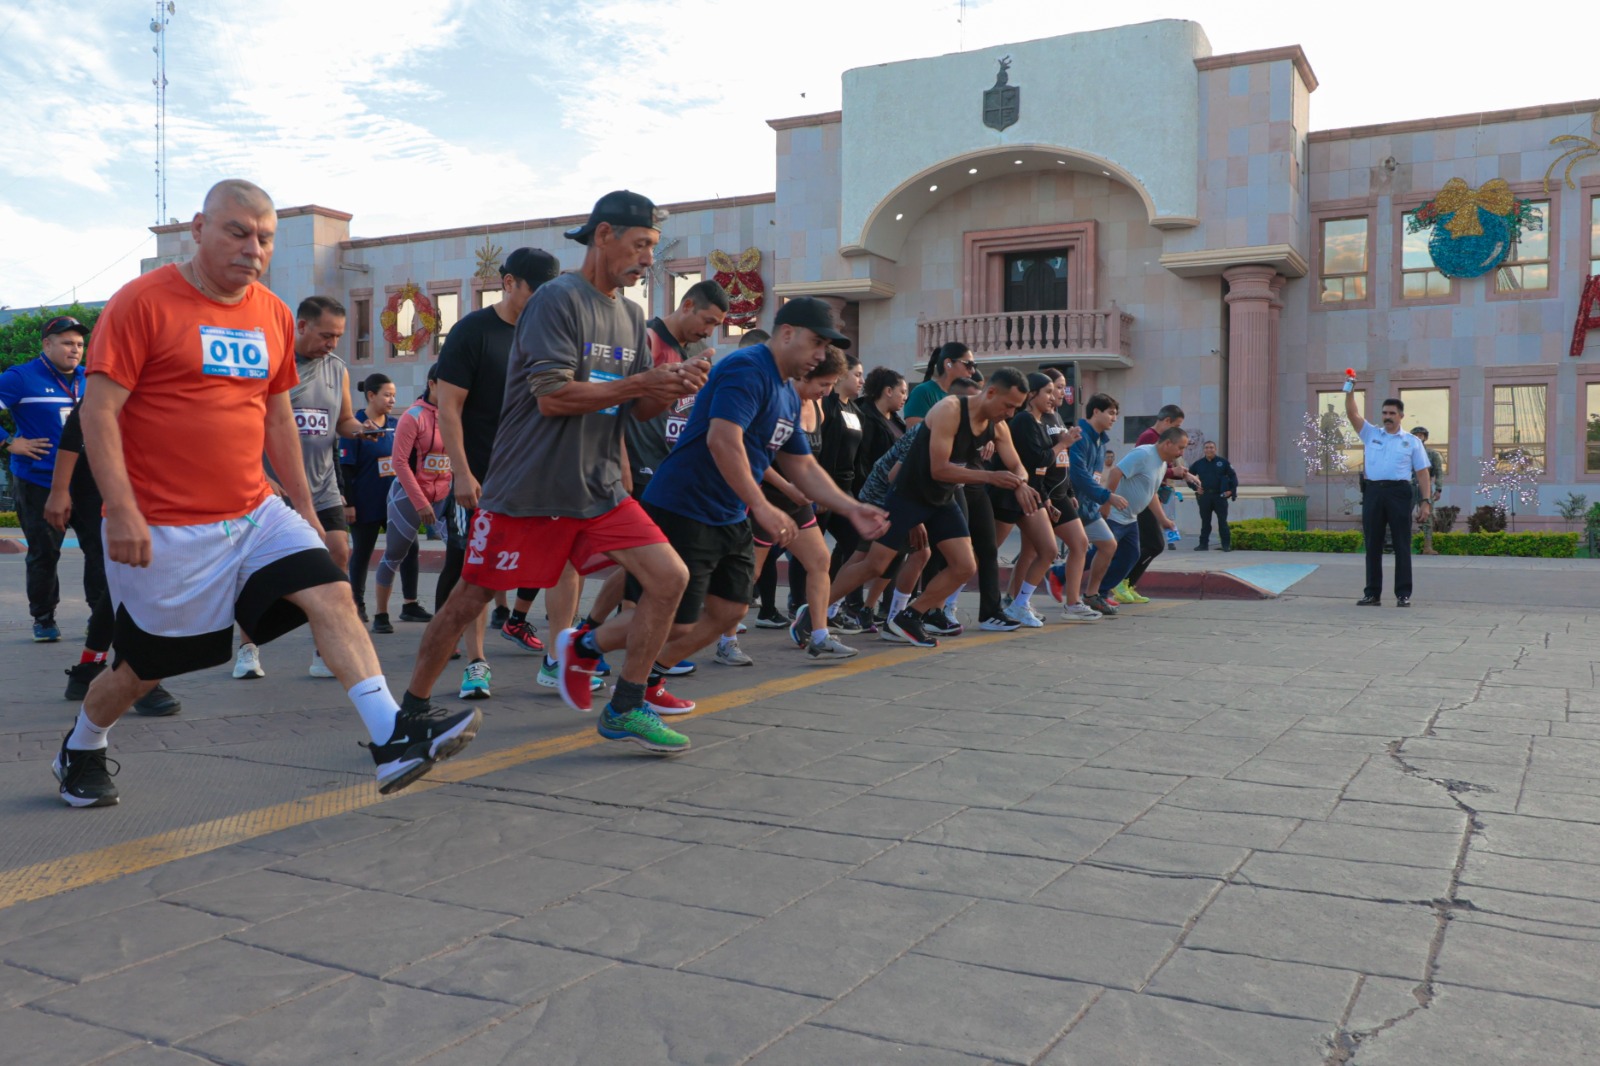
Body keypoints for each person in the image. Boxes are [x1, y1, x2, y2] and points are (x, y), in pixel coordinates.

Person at [56, 179, 479, 807]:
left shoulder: (272, 313)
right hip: (165, 525)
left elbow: (277, 417)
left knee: (333, 592)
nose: (253, 248)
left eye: (266, 237)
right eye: (238, 232)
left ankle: (391, 737)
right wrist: (119, 509)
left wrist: (304, 513)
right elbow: (97, 412)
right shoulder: (141, 303)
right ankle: (83, 744)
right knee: (145, 669)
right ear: (198, 229)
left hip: (255, 511)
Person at [400, 189, 707, 753]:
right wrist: (641, 382)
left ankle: (626, 706)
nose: (648, 259)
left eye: (653, 248)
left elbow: (636, 408)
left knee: (670, 578)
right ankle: (412, 711)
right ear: (604, 235)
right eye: (641, 245)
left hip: (598, 488)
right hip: (529, 489)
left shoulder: (631, 316)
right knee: (470, 598)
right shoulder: (556, 300)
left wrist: (671, 387)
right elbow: (552, 396)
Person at [607, 298, 886, 679]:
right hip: (685, 504)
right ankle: (590, 652)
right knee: (673, 619)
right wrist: (763, 505)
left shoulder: (787, 393)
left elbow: (803, 465)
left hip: (728, 511)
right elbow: (723, 440)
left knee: (730, 609)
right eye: (817, 343)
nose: (822, 356)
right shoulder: (748, 368)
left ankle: (650, 672)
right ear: (787, 333)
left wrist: (851, 507)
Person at [827, 367, 1036, 647]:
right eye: (1008, 405)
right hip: (908, 494)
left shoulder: (997, 426)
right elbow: (939, 469)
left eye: (1016, 408)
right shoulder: (950, 410)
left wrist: (1020, 483)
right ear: (991, 392)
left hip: (942, 497)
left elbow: (1018, 465)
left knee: (964, 566)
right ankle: (815, 611)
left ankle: (909, 617)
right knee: (875, 564)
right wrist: (990, 477)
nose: (1010, 414)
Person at [580, 278, 729, 657]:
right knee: (645, 566)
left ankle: (597, 637)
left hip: (670, 469)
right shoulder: (646, 339)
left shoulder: (693, 351)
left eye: (716, 325)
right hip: (638, 466)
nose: (708, 331)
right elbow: (614, 403)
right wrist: (622, 463)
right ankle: (603, 645)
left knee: (647, 565)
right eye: (708, 321)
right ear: (687, 305)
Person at [433, 247, 563, 677]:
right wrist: (462, 473)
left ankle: (556, 659)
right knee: (473, 569)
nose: (544, 303)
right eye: (535, 292)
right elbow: (448, 408)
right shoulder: (473, 331)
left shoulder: (549, 334)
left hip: (537, 476)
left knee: (560, 562)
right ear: (509, 283)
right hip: (483, 475)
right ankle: (472, 659)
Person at [239, 295, 379, 680]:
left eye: (338, 337)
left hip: (323, 485)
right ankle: (248, 648)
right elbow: (247, 424)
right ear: (301, 326)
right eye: (326, 335)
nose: (332, 344)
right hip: (275, 489)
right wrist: (262, 475)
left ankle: (324, 651)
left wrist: (361, 431)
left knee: (339, 553)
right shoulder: (271, 363)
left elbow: (344, 420)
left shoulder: (338, 369)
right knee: (258, 568)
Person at [47, 402, 182, 715]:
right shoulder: (123, 374)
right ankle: (136, 673)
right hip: (96, 482)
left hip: (143, 481)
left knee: (123, 581)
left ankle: (89, 669)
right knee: (134, 575)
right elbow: (77, 424)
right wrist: (59, 489)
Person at [1, 315, 92, 642]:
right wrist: (9, 442)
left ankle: (99, 617)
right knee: (44, 553)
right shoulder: (20, 378)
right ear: (47, 344)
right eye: (67, 343)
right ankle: (44, 618)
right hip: (38, 481)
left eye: (79, 344)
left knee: (99, 551)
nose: (75, 349)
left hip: (87, 481)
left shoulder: (90, 378)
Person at [375, 369, 459, 683]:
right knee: (394, 554)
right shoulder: (413, 417)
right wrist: (421, 503)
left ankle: (447, 626)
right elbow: (399, 463)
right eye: (446, 386)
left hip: (444, 497)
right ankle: (381, 613)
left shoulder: (454, 414)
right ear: (432, 384)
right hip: (409, 497)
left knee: (459, 555)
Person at [996, 373, 1099, 625]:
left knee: (1046, 549)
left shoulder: (1052, 418)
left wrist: (1069, 492)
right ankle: (1011, 601)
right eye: (1053, 389)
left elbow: (1058, 463)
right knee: (988, 552)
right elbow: (1038, 460)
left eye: (1060, 389)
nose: (1058, 394)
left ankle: (1022, 603)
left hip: (1045, 493)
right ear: (1032, 394)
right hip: (1021, 492)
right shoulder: (1025, 420)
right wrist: (1062, 445)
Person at [341, 373, 422, 623]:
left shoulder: (396, 425)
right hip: (366, 503)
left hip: (395, 503)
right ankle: (357, 604)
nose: (392, 400)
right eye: (387, 395)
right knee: (363, 552)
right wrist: (349, 503)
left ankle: (410, 604)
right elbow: (345, 469)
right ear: (371, 395)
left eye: (394, 395)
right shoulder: (354, 426)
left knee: (410, 548)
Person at [1086, 428, 1188, 615]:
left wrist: (1163, 519)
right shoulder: (1143, 454)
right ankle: (1067, 580)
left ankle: (1099, 592)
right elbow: (1115, 472)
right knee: (1100, 553)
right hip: (1115, 515)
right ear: (1168, 443)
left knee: (1130, 555)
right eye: (1180, 448)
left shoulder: (1162, 464)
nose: (1181, 453)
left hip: (1130, 519)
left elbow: (1151, 494)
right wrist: (1107, 502)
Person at [1347, 387, 1430, 607]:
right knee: (1372, 544)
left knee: (1402, 544)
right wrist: (1349, 391)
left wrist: (1426, 501)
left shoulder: (1412, 441)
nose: (1387, 417)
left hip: (1399, 493)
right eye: (1385, 413)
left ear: (1401, 416)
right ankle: (1372, 593)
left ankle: (1403, 594)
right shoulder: (1371, 434)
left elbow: (1422, 472)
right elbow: (1352, 414)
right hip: (1373, 492)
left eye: (1392, 413)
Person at [1119, 405, 1199, 604]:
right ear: (1167, 421)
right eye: (1176, 426)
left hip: (1150, 496)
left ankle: (1125, 583)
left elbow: (1159, 471)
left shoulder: (1158, 443)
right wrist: (1107, 500)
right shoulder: (1150, 440)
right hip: (1141, 499)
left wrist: (1183, 474)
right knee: (1152, 544)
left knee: (1144, 545)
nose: (1180, 452)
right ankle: (1121, 582)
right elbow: (1131, 471)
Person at [1068, 394, 1128, 616]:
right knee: (1042, 551)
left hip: (1088, 508)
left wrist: (1099, 502)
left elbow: (1093, 477)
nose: (1114, 418)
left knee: (1108, 545)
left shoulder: (1101, 442)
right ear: (1095, 411)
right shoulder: (1080, 436)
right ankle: (1016, 598)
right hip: (1067, 503)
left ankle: (1091, 595)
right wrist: (1107, 497)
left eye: (1116, 414)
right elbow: (1078, 475)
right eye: (1111, 413)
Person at [1190, 440, 1238, 551]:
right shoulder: (1199, 464)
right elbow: (1188, 476)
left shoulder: (1223, 462)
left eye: (1211, 447)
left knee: (1222, 521)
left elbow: (1233, 477)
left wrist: (1231, 491)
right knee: (1205, 522)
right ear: (1204, 450)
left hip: (1219, 496)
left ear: (1215, 449)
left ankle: (1226, 545)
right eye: (1207, 447)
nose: (1209, 449)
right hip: (1205, 496)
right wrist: (1195, 488)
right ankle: (1203, 545)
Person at [1412, 427, 1444, 555]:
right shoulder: (1406, 453)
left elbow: (1439, 472)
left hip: (1425, 488)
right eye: (1416, 435)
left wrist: (1438, 488)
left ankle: (1427, 546)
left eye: (1421, 435)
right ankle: (1400, 545)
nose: (1418, 437)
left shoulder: (1432, 454)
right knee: (1401, 515)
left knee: (1428, 517)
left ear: (1425, 437)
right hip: (1408, 486)